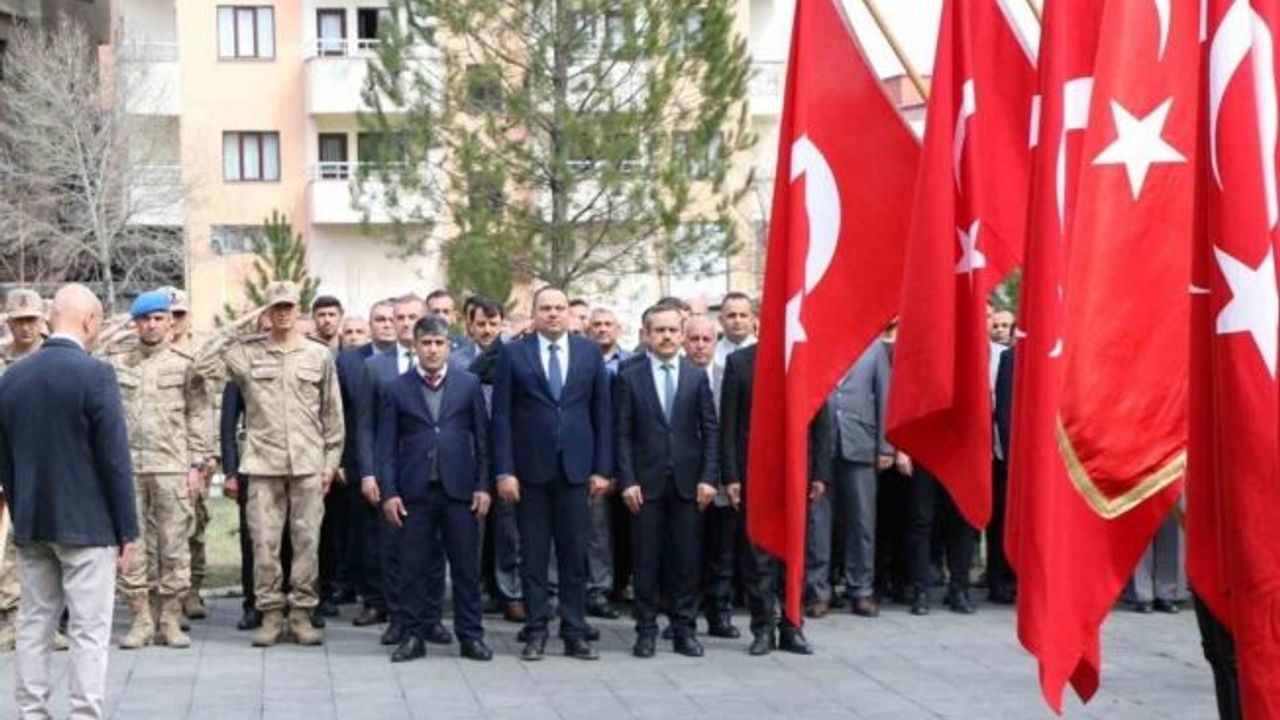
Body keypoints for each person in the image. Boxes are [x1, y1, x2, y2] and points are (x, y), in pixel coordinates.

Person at [0, 283, 139, 719]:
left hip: (32, 523)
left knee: (33, 624)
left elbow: (4, 458)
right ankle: (83, 714)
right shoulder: (96, 375)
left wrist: (21, 509)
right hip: (87, 525)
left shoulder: (12, 377)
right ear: (90, 320)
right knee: (88, 630)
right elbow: (114, 459)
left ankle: (31, 713)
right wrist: (127, 530)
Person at [198, 281, 344, 647]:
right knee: (264, 544)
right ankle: (270, 613)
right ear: (267, 312)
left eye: (289, 306)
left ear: (299, 310)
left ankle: (300, 614)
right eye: (276, 307)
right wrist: (240, 324)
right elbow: (201, 364)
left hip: (308, 463)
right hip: (262, 465)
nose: (283, 313)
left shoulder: (318, 355)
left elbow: (333, 415)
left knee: (307, 542)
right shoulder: (247, 354)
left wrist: (330, 462)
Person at [491, 286, 612, 661]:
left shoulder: (589, 353)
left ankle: (574, 630)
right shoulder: (514, 354)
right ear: (534, 313)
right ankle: (536, 629)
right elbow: (502, 416)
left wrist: (602, 469)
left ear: (570, 314)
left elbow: (602, 414)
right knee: (534, 556)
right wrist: (504, 471)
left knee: (575, 555)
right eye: (546, 308)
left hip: (576, 471)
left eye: (560, 308)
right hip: (530, 472)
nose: (554, 314)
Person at [376, 316, 495, 663]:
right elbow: (386, 446)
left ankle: (471, 636)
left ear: (449, 347)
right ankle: (413, 635)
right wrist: (390, 492)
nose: (432, 350)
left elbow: (483, 440)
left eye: (438, 343)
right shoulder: (397, 388)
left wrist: (483, 486)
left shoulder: (468, 384)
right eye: (425, 343)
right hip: (414, 492)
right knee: (412, 567)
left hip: (460, 491)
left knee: (465, 568)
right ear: (415, 346)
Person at [614, 306, 719, 658]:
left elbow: (710, 430)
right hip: (645, 485)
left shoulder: (695, 374)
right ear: (647, 334)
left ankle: (684, 629)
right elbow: (622, 433)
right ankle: (646, 629)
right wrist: (627, 479)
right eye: (660, 330)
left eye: (674, 330)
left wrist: (709, 477)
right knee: (645, 561)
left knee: (686, 561)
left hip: (689, 485)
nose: (667, 337)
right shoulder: (630, 376)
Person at [108, 291, 208, 650]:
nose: (151, 325)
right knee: (133, 546)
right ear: (134, 322)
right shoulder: (118, 363)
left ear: (169, 321)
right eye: (143, 319)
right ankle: (140, 618)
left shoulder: (185, 363)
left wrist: (197, 464)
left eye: (158, 319)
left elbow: (199, 413)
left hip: (172, 468)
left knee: (175, 545)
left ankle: (169, 617)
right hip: (129, 468)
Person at [720, 342, 829, 656]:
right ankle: (763, 626)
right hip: (755, 472)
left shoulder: (806, 357)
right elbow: (729, 424)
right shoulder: (739, 362)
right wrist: (731, 476)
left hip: (797, 474)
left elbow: (821, 421)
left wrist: (820, 472)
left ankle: (792, 626)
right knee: (758, 557)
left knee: (794, 553)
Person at [358, 295, 451, 647]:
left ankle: (432, 618)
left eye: (415, 316)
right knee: (395, 549)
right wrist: (369, 473)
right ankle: (399, 618)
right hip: (392, 472)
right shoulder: (376, 367)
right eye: (401, 318)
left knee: (433, 552)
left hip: (434, 472)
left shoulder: (447, 362)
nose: (407, 323)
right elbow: (366, 425)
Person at [807, 330, 895, 618]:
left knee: (862, 522)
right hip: (821, 447)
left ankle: (861, 590)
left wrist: (885, 446)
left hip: (861, 444)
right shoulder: (814, 344)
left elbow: (885, 394)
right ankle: (819, 589)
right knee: (819, 523)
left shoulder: (873, 348)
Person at [0, 288, 45, 652]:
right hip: (9, 464)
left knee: (49, 545)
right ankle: (12, 617)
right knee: (9, 547)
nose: (25, 328)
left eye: (31, 320)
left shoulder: (57, 357)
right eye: (18, 322)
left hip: (51, 466)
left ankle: (50, 622)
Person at [714, 292, 757, 367]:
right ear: (721, 320)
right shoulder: (711, 354)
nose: (737, 321)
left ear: (752, 319)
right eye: (731, 315)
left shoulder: (763, 353)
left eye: (743, 315)